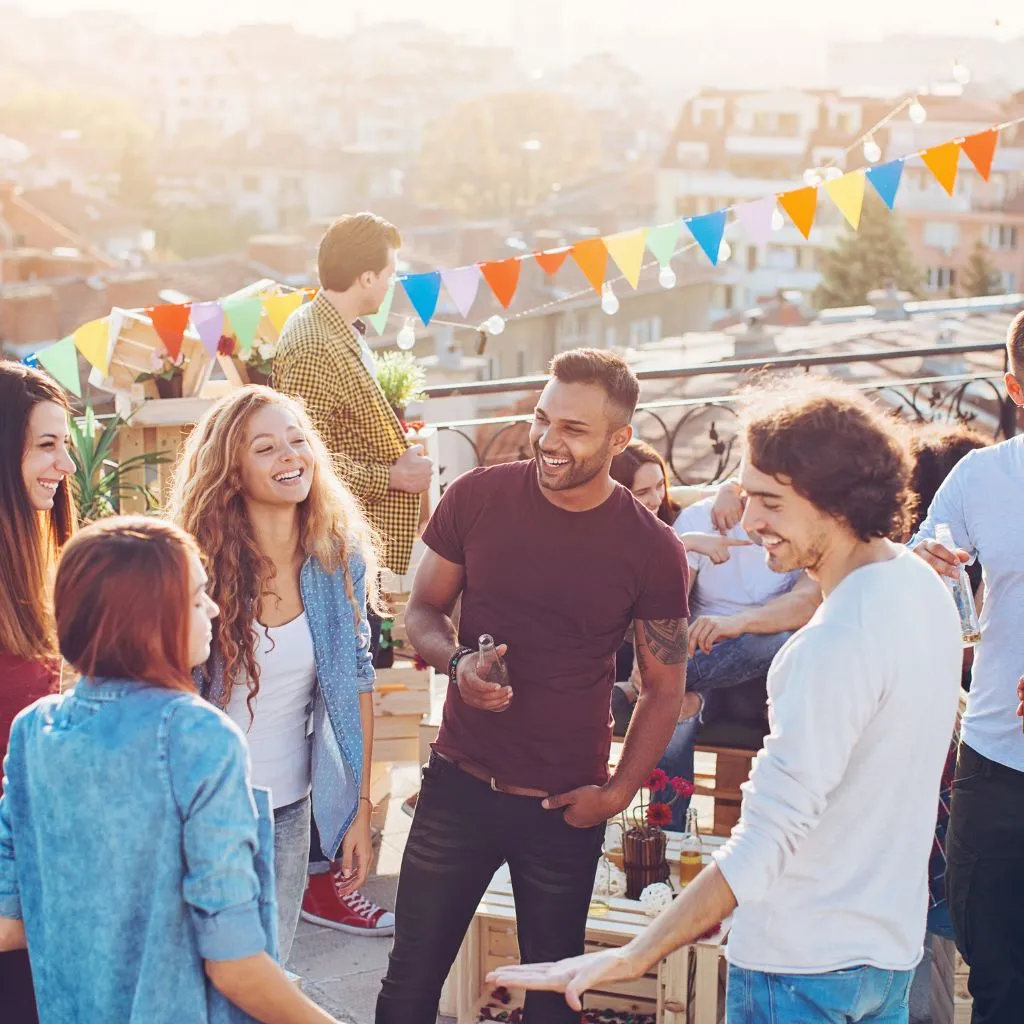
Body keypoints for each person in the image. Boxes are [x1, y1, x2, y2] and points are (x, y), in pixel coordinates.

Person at [489, 375, 963, 1024]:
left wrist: (629, 956)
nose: (748, 521)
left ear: (839, 504)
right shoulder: (919, 585)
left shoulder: (831, 645)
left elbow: (762, 844)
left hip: (798, 974)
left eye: (768, 501)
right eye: (744, 496)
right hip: (888, 959)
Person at [375, 349, 690, 1024]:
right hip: (457, 784)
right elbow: (421, 612)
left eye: (573, 429)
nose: (548, 439)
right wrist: (459, 663)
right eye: (543, 418)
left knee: (553, 1003)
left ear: (618, 440)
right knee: (407, 988)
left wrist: (616, 793)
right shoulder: (477, 496)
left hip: (562, 807)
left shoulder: (653, 548)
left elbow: (664, 689)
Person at [0, 516, 338, 1023]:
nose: (215, 608)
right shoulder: (198, 737)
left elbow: (9, 923)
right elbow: (234, 963)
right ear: (149, 617)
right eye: (198, 595)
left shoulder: (33, 732)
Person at [168, 386, 392, 951]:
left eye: (298, 441)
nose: (290, 457)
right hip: (205, 809)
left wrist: (358, 810)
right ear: (231, 471)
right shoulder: (193, 567)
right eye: (265, 448)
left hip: (290, 809)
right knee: (207, 975)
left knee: (272, 962)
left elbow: (358, 680)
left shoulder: (338, 558)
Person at [273, 213, 433, 931]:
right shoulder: (310, 342)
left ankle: (326, 869)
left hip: (351, 548)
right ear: (368, 274)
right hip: (326, 551)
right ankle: (319, 880)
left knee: (349, 711)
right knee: (335, 719)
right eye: (391, 271)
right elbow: (297, 461)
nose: (394, 284)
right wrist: (393, 475)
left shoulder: (336, 333)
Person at [910, 310, 1024, 1024]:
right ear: (1017, 386)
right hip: (994, 762)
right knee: (998, 981)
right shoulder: (981, 479)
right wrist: (925, 567)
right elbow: (926, 575)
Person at [0, 360, 77, 1022]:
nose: (66, 465)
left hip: (35, 849)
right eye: (46, 445)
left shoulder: (39, 566)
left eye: (66, 445)